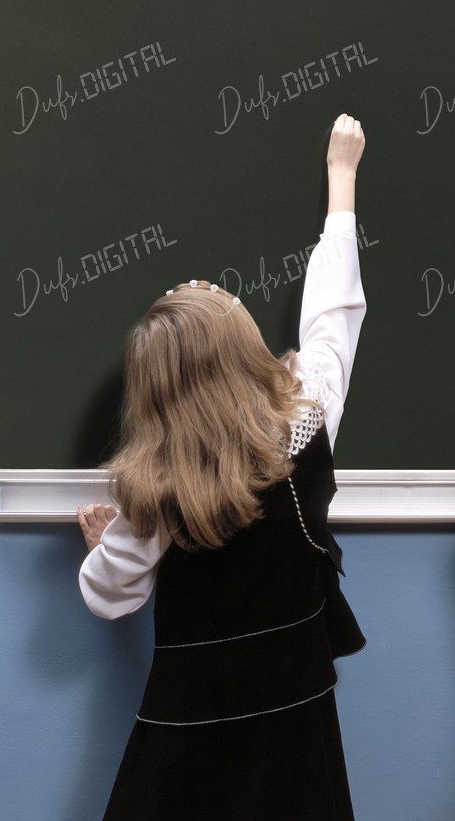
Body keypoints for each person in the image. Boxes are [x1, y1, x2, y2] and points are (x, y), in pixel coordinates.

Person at [77, 113, 367, 821]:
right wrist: (342, 181)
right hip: (296, 723)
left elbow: (108, 595)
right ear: (243, 348)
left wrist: (101, 549)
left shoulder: (154, 491)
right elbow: (333, 319)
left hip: (190, 746)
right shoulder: (306, 417)